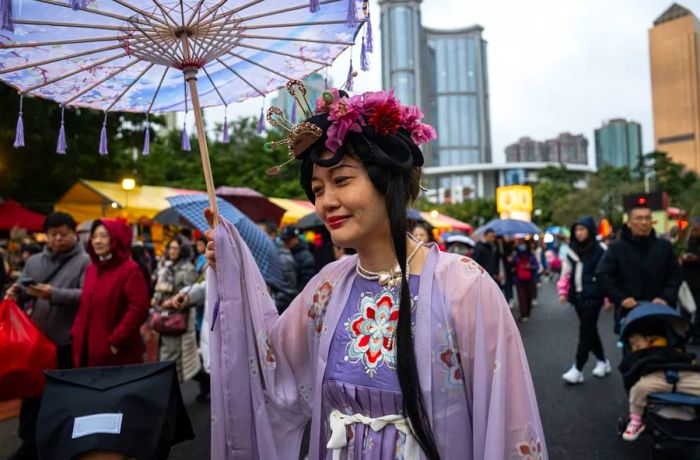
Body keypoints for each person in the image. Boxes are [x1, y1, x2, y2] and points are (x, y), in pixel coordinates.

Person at [204, 87, 546, 459]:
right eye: (317, 189)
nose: (326, 201)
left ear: (389, 180)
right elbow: (271, 369)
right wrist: (233, 272)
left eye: (342, 180)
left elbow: (507, 417)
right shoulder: (327, 286)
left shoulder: (464, 285)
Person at [6, 212, 90, 460]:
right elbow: (23, 287)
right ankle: (29, 443)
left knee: (62, 396)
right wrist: (16, 291)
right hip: (35, 340)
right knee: (31, 394)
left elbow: (86, 296)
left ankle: (63, 444)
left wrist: (53, 294)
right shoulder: (34, 261)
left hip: (65, 341)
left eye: (63, 234)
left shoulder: (85, 261)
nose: (58, 239)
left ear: (74, 233)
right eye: (53, 235)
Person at [71, 220, 150, 367]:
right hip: (88, 348)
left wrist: (116, 340)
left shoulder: (129, 270)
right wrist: (76, 331)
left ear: (115, 238)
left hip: (116, 352)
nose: (97, 241)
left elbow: (139, 309)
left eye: (103, 236)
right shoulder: (92, 270)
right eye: (94, 237)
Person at [596, 204, 683, 333]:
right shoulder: (616, 248)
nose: (644, 222)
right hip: (630, 313)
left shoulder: (664, 246)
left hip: (661, 311)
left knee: (663, 351)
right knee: (634, 351)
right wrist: (621, 298)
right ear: (629, 223)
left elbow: (675, 275)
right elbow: (602, 275)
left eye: (648, 218)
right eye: (639, 218)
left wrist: (665, 297)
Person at [557, 217, 610, 384]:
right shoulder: (570, 249)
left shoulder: (601, 248)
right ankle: (603, 361)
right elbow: (566, 272)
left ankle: (578, 368)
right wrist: (563, 292)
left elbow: (607, 273)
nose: (579, 233)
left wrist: (609, 297)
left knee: (585, 331)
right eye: (577, 230)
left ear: (590, 230)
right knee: (590, 330)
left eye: (583, 229)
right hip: (577, 296)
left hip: (595, 295)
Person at [620, 333, 700, 441]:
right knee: (639, 389)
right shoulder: (640, 354)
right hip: (657, 376)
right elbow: (627, 368)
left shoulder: (671, 349)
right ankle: (636, 420)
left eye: (638, 343)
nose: (635, 347)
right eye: (632, 346)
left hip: (685, 374)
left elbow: (689, 359)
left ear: (649, 339)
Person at [151, 235, 199, 382]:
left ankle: (171, 393)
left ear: (182, 250)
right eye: (170, 247)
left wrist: (172, 302)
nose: (172, 251)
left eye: (175, 248)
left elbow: (190, 294)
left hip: (176, 319)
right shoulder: (165, 266)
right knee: (163, 356)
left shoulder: (188, 269)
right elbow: (158, 290)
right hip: (162, 317)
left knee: (172, 360)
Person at [257, 219, 299, 313]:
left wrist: (267, 309)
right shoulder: (263, 252)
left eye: (259, 233)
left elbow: (288, 291)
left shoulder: (283, 256)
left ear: (272, 235)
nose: (256, 237)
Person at [279, 224, 316, 291]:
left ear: (296, 239)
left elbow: (306, 283)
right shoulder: (283, 252)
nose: (285, 243)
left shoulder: (306, 257)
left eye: (287, 240)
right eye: (283, 240)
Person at [681, 218, 700, 344]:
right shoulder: (686, 242)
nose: (694, 231)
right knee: (685, 309)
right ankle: (685, 334)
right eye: (693, 229)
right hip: (687, 280)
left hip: (697, 280)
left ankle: (696, 335)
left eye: (696, 229)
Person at [513, 240, 538, 322]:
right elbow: (512, 267)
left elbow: (536, 266)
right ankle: (523, 314)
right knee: (521, 297)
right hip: (519, 279)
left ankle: (527, 313)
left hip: (530, 279)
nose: (522, 246)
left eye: (523, 244)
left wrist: (530, 267)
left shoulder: (531, 255)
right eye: (520, 244)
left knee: (528, 297)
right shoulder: (515, 256)